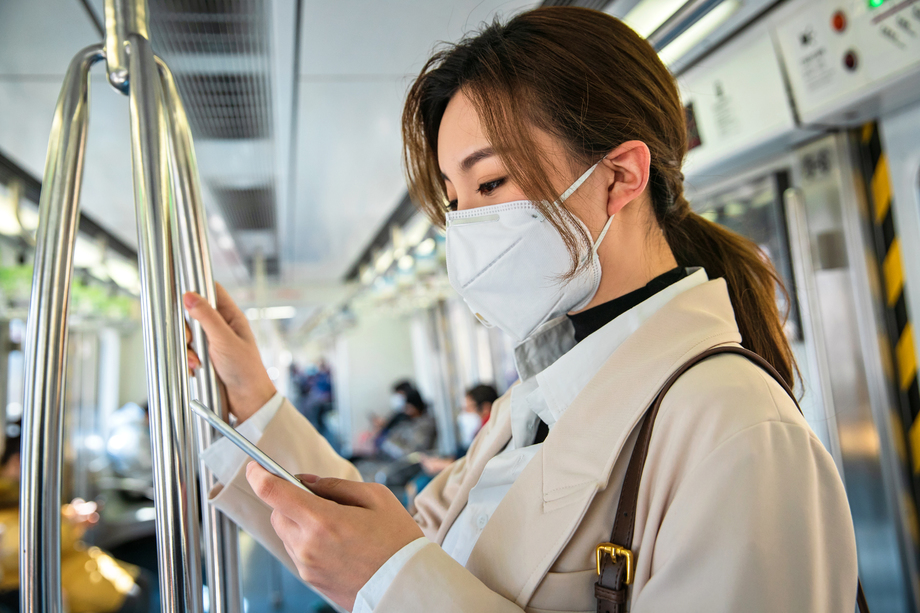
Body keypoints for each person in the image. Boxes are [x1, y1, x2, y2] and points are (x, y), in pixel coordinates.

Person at [183, 7, 858, 612]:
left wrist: (396, 583)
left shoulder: (736, 428)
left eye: (491, 182)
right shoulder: (525, 408)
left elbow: (402, 572)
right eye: (454, 197)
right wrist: (252, 398)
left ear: (621, 176)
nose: (466, 227)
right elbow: (400, 545)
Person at [0, 433, 151, 613]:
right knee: (136, 595)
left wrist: (71, 514)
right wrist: (70, 523)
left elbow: (37, 522)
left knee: (143, 582)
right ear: (18, 461)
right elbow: (18, 546)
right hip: (55, 579)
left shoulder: (16, 493)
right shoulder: (9, 497)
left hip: (72, 566)